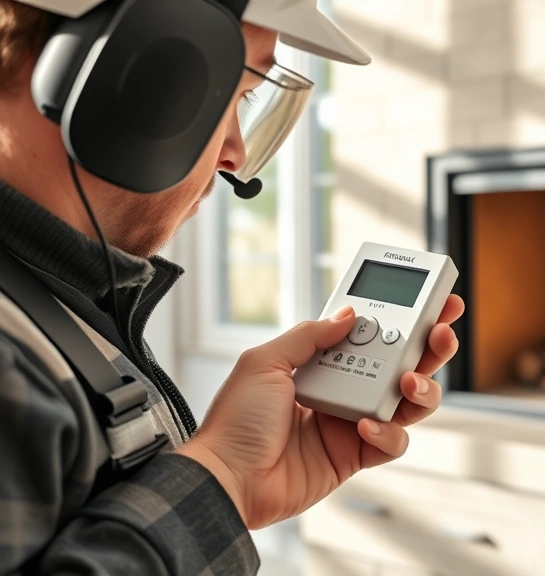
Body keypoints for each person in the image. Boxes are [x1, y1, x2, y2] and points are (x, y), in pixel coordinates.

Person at [0, 1, 464, 574]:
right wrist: (220, 474)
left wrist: (230, 478)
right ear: (90, 72)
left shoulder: (51, 304)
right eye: (239, 95)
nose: (236, 154)